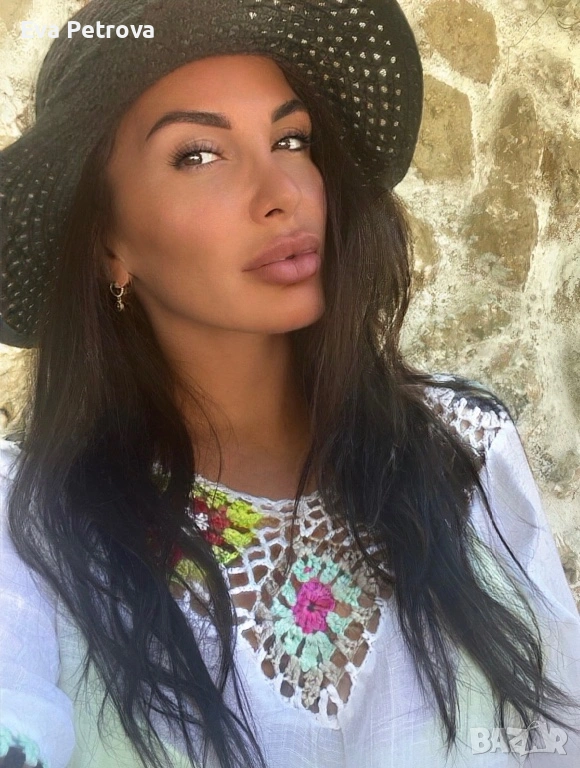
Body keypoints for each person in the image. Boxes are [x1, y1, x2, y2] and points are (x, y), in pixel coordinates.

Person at [0, 1, 579, 767]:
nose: (281, 192)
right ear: (110, 243)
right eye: (198, 154)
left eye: (291, 140)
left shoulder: (463, 450)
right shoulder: (31, 518)